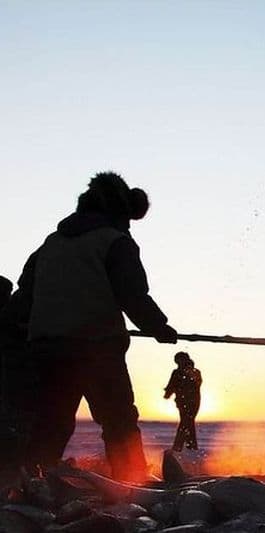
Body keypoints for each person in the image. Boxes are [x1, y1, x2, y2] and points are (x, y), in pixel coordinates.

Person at [15, 172, 177, 482]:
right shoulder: (114, 241)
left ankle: (30, 482)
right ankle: (132, 484)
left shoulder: (51, 243)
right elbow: (132, 295)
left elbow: (25, 295)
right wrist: (160, 327)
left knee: (53, 419)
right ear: (120, 211)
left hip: (46, 347)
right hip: (96, 347)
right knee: (118, 419)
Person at [164, 351, 202, 451]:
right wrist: (168, 392)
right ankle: (190, 447)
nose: (177, 363)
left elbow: (172, 385)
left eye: (177, 361)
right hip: (188, 402)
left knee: (186, 422)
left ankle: (179, 447)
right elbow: (172, 385)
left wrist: (167, 393)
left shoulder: (185, 372)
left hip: (189, 401)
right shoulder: (194, 371)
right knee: (188, 422)